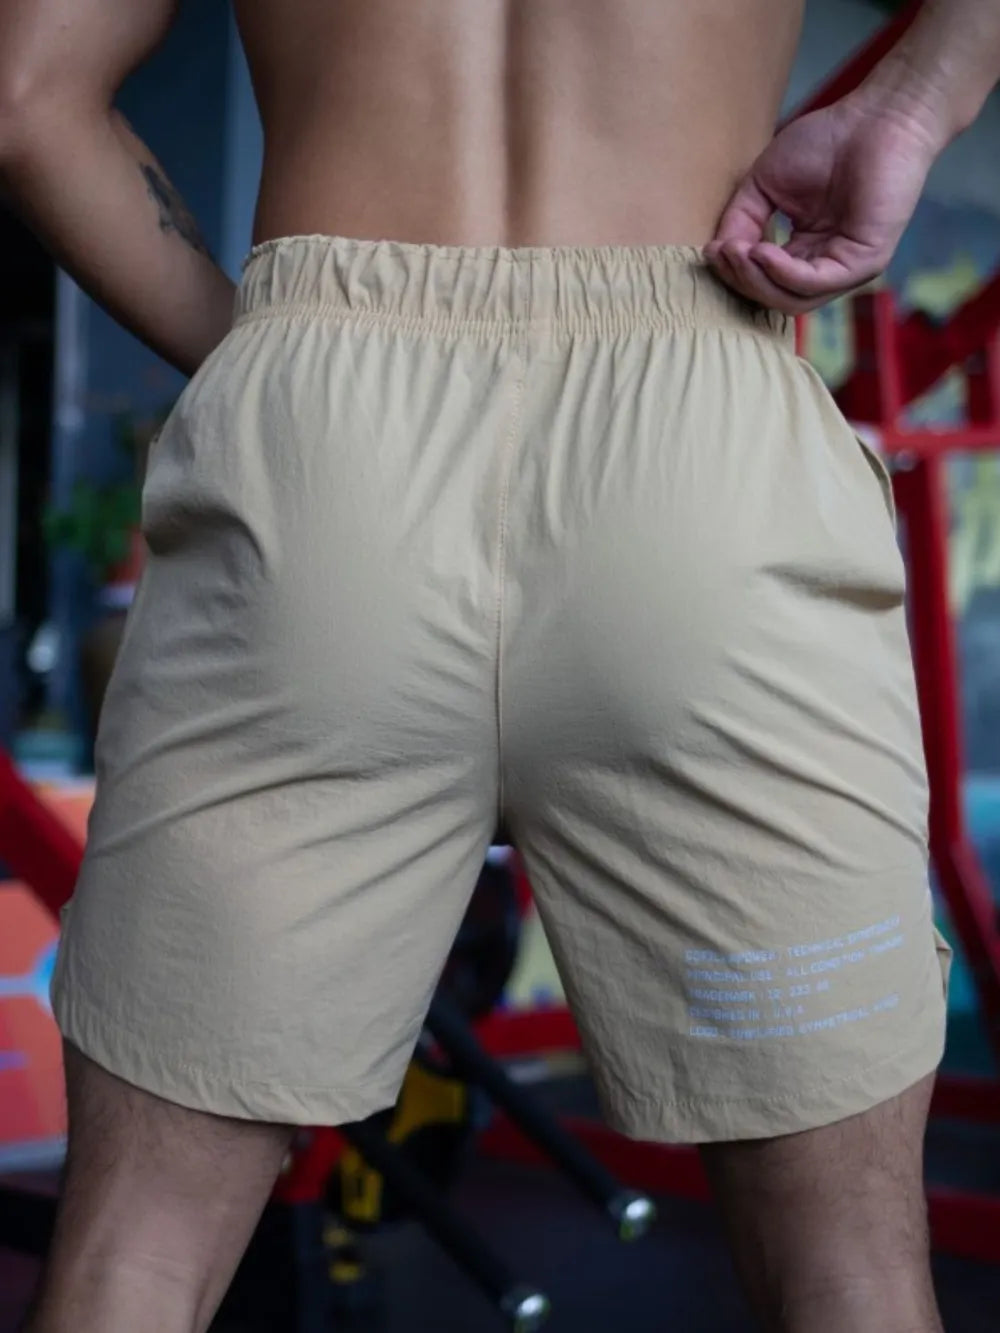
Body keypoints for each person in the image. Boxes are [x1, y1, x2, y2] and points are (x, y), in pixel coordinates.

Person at [1, 1, 996, 1329]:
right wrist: (910, 109)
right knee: (848, 1274)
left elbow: (27, 94)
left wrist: (276, 361)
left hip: (325, 441)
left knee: (140, 1250)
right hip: (695, 427)